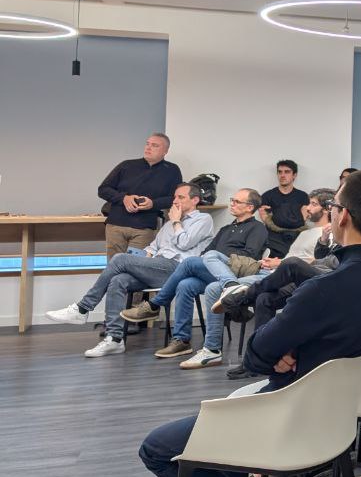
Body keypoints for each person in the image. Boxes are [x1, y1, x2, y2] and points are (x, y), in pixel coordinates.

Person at [138, 170, 361, 477]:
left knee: (156, 448)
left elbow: (255, 357)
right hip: (337, 423)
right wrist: (293, 343)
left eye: (333, 206)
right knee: (224, 422)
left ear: (343, 217)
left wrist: (281, 341)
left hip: (285, 417)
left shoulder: (324, 290)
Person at [45, 183, 213, 355]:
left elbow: (185, 243)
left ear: (195, 200)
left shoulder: (203, 220)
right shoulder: (169, 224)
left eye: (181, 197)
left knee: (120, 258)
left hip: (178, 269)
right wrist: (142, 262)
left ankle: (83, 308)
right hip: (157, 267)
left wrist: (176, 221)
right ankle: (114, 338)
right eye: (175, 197)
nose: (175, 201)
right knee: (118, 280)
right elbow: (153, 248)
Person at [120, 188, 268, 368]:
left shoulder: (258, 228)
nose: (232, 204)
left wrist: (218, 259)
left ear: (250, 207)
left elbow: (249, 256)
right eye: (232, 200)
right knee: (185, 284)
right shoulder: (226, 229)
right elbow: (206, 252)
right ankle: (181, 340)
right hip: (214, 273)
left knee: (191, 262)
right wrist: (211, 259)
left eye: (237, 202)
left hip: (237, 275)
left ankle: (155, 304)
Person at [98, 133, 184, 257]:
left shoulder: (172, 170)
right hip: (116, 225)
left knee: (136, 265)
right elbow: (103, 189)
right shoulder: (126, 165)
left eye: (154, 145)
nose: (148, 148)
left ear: (165, 151)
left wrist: (153, 204)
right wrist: (124, 198)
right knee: (114, 265)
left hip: (144, 227)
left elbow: (175, 199)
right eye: (147, 144)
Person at [256, 189, 336, 271]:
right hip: (277, 271)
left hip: (293, 276)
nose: (308, 208)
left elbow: (320, 264)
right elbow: (293, 257)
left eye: (314, 204)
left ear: (327, 209)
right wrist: (274, 262)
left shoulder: (328, 234)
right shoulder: (304, 233)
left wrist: (278, 263)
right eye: (309, 203)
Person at [259, 160, 309, 258]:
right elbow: (264, 216)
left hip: (297, 236)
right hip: (273, 238)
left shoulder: (303, 196)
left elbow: (304, 217)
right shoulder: (267, 195)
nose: (282, 175)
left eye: (287, 172)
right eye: (280, 172)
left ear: (294, 175)